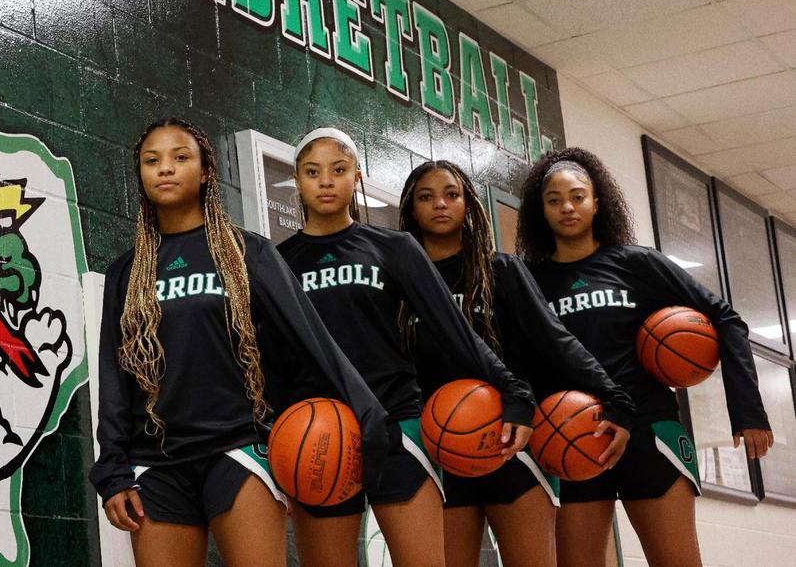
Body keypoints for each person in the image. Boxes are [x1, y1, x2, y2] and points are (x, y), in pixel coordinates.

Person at [88, 119, 389, 567]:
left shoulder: (249, 253)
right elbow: (114, 377)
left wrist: (369, 418)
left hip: (239, 449)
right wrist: (112, 470)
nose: (165, 169)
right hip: (156, 462)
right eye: (153, 161)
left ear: (207, 169)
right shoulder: (125, 273)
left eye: (180, 157)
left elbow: (314, 342)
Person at [277, 128, 536, 567]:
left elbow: (454, 329)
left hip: (397, 423)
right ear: (298, 180)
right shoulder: (277, 261)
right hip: (317, 430)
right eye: (312, 172)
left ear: (356, 177)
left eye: (338, 170)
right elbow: (270, 359)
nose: (325, 181)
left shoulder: (393, 248)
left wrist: (515, 392)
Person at [516, 147, 774, 567]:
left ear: (597, 202)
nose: (567, 207)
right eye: (554, 200)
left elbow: (726, 319)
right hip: (570, 431)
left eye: (578, 196)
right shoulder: (529, 281)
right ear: (540, 211)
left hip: (648, 428)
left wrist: (747, 410)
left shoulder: (637, 264)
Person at [400, 159, 635, 567]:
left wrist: (614, 396)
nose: (440, 204)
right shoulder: (402, 285)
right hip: (441, 447)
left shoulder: (501, 271)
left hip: (511, 440)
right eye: (427, 197)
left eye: (451, 194)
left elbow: (555, 339)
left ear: (468, 204)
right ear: (411, 210)